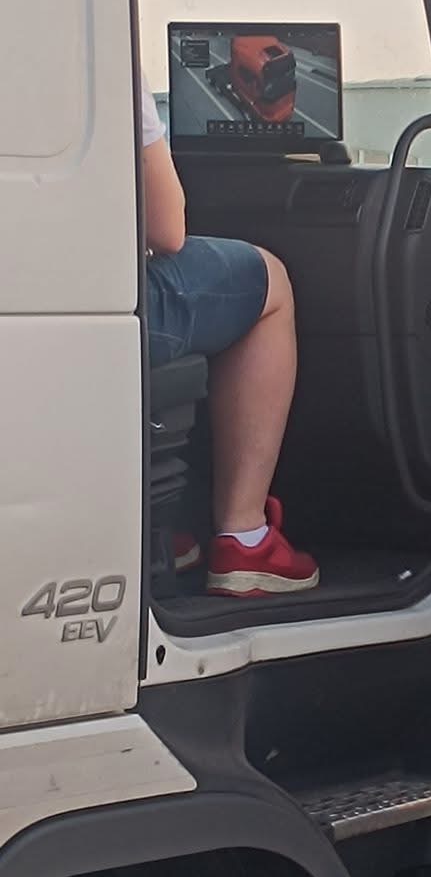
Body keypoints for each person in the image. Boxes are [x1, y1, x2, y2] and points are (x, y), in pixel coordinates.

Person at [142, 78, 320, 597]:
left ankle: (148, 527)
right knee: (269, 282)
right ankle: (244, 536)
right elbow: (165, 227)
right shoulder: (99, 51)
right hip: (88, 288)